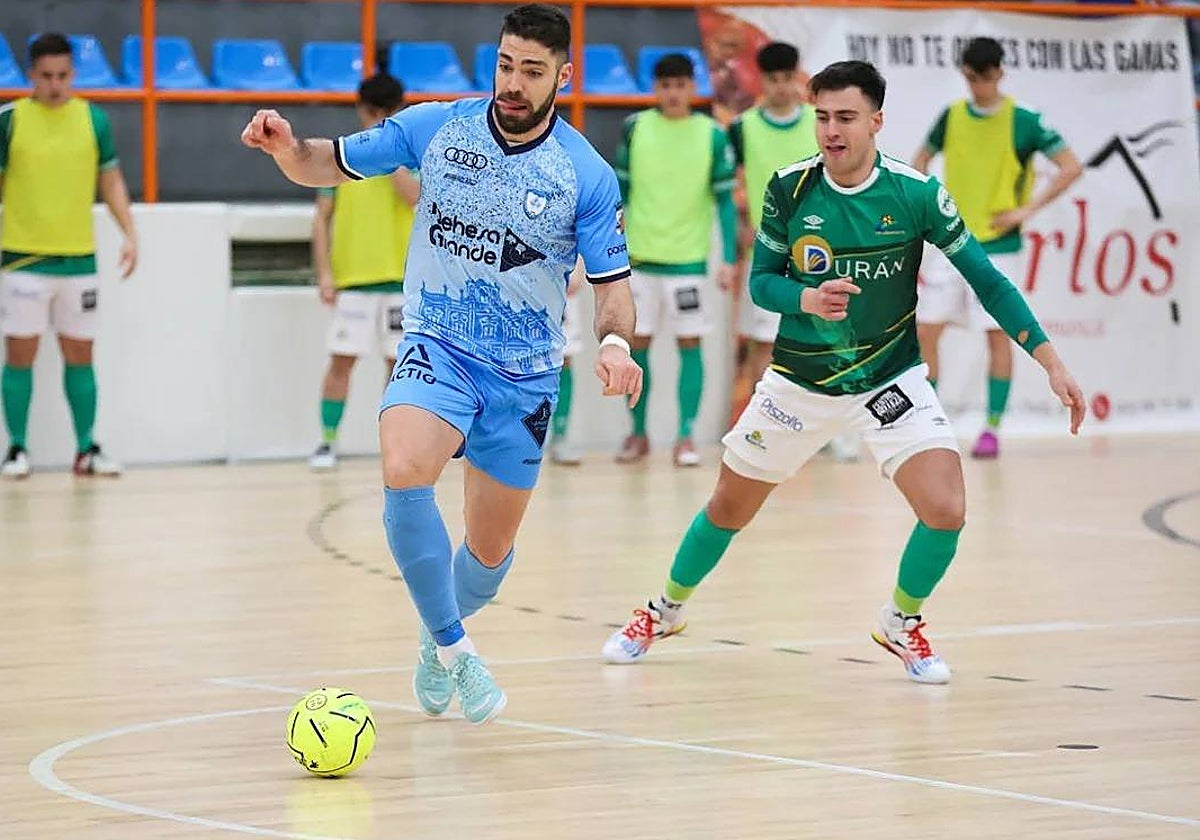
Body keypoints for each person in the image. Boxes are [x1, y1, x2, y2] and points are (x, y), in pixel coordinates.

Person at [602, 60, 1085, 684]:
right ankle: (664, 610)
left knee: (946, 508)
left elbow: (988, 282)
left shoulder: (917, 194)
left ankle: (901, 621)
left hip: (890, 379)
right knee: (728, 507)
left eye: (846, 118)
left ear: (876, 122)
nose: (831, 130)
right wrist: (806, 298)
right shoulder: (789, 188)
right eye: (822, 117)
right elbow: (762, 285)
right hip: (799, 383)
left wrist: (1051, 361)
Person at [242, 3, 640, 724]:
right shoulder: (437, 126)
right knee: (403, 468)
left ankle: (437, 633)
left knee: (487, 558)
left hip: (523, 378)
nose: (513, 84)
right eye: (505, 65)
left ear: (564, 76)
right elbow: (325, 161)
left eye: (532, 72)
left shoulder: (586, 173)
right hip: (438, 346)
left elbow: (614, 290)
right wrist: (286, 148)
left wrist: (615, 345)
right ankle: (460, 653)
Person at [912, 37, 1082, 459]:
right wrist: (922, 212)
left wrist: (1025, 211)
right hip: (950, 240)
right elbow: (918, 163)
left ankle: (991, 428)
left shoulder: (1023, 120)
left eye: (984, 78)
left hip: (999, 245)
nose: (978, 87)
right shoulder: (950, 116)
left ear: (1000, 74)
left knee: (997, 335)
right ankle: (930, 423)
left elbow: (1070, 167)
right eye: (971, 78)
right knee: (925, 331)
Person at [1, 33, 137, 479]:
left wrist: (130, 233)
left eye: (63, 76)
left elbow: (111, 181)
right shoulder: (10, 121)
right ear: (30, 76)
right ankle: (17, 449)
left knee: (81, 353)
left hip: (79, 259)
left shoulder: (93, 120)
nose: (55, 85)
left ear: (73, 75)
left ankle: (86, 449)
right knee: (20, 354)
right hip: (22, 258)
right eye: (46, 77)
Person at [613, 52, 737, 467]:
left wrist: (729, 258)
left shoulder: (712, 135)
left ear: (692, 87)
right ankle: (638, 434)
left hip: (688, 265)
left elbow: (723, 203)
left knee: (690, 345)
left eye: (680, 85)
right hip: (640, 262)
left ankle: (686, 436)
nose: (672, 93)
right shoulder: (636, 129)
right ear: (656, 88)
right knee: (637, 347)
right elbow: (619, 198)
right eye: (665, 85)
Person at [309, 73, 419, 471]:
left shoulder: (411, 157)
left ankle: (396, 446)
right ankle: (327, 441)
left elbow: (417, 200)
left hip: (400, 279)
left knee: (401, 370)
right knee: (341, 361)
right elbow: (321, 219)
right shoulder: (344, 154)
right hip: (353, 279)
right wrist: (324, 273)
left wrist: (390, 159)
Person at [547, 260, 585, 466]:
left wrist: (578, 268)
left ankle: (560, 435)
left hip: (560, 282)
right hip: (515, 280)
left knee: (563, 358)